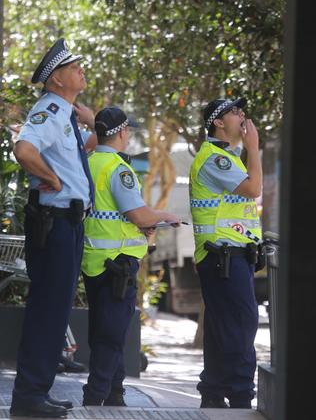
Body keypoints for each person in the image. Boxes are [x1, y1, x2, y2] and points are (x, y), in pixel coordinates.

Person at [10, 38, 96, 418]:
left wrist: (86, 116)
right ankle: (28, 398)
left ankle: (36, 393)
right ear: (56, 79)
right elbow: (24, 150)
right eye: (74, 67)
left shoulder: (64, 113)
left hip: (68, 223)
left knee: (56, 310)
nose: (81, 70)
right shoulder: (49, 110)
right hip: (55, 222)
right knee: (48, 311)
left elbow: (85, 150)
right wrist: (53, 181)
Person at [81, 106, 181, 406]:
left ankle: (115, 395)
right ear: (122, 133)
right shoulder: (118, 168)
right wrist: (162, 215)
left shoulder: (89, 162)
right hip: (118, 264)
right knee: (111, 335)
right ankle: (95, 399)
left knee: (106, 329)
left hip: (94, 261)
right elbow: (137, 214)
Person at [189, 98, 262, 409]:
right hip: (224, 258)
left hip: (229, 257)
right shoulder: (215, 159)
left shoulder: (227, 158)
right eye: (234, 112)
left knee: (223, 327)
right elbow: (254, 188)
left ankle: (214, 392)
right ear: (218, 122)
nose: (241, 116)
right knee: (242, 323)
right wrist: (254, 146)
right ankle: (241, 394)